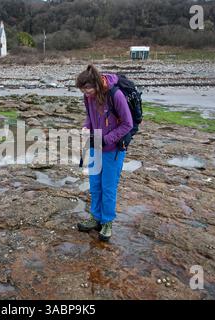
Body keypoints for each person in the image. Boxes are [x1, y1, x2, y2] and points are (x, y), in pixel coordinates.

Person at [76, 64, 133, 242]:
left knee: (108, 187)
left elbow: (127, 124)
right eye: (83, 91)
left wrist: (106, 139)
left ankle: (107, 222)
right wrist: (86, 127)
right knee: (95, 185)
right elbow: (90, 116)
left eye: (88, 90)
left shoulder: (116, 95)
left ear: (97, 85)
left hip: (113, 149)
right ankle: (96, 218)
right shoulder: (89, 98)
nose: (86, 94)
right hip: (95, 146)